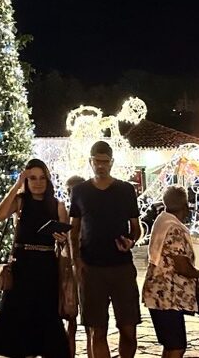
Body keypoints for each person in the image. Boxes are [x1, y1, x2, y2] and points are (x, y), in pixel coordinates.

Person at [0, 159, 70, 358]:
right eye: (32, 178)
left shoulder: (57, 205)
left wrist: (61, 239)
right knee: (18, 316)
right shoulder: (20, 202)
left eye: (42, 178)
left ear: (48, 180)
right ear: (26, 179)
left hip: (46, 266)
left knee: (45, 315)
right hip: (22, 266)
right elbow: (0, 214)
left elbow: (64, 241)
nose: (37, 182)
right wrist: (17, 185)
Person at [69, 141, 142, 358]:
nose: (101, 166)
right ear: (90, 162)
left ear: (112, 162)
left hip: (121, 268)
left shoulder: (126, 190)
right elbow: (74, 230)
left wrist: (131, 240)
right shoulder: (80, 191)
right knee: (96, 330)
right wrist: (77, 261)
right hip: (91, 268)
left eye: (105, 162)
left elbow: (136, 228)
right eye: (96, 162)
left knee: (129, 330)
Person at [142, 186, 199, 358]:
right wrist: (198, 274)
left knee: (170, 345)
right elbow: (182, 266)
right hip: (167, 296)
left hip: (156, 293)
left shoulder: (161, 220)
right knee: (177, 346)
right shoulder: (175, 228)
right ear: (185, 206)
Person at [62, 175, 85, 358]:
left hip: (82, 268)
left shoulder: (87, 214)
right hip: (62, 268)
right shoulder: (62, 210)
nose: (71, 195)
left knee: (74, 317)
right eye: (69, 191)